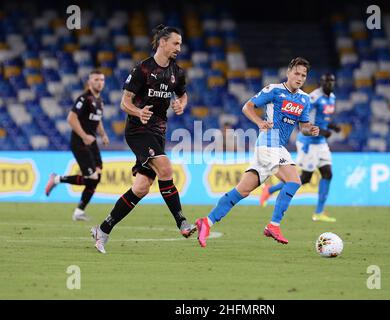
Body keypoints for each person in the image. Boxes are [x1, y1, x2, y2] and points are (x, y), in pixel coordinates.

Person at [90, 24, 196, 253]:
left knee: (141, 187)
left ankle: (103, 229)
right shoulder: (143, 70)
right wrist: (138, 112)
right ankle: (182, 222)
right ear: (163, 43)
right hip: (138, 130)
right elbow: (124, 102)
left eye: (180, 43)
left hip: (158, 132)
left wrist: (181, 105)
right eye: (175, 43)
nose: (179, 47)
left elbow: (183, 94)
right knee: (165, 169)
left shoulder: (177, 73)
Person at [195, 57, 319, 247]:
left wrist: (311, 129)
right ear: (288, 72)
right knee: (294, 181)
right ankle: (273, 225)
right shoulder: (274, 90)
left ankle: (207, 222)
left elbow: (303, 127)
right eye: (297, 73)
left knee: (242, 190)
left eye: (304, 75)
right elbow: (248, 107)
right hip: (268, 144)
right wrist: (259, 122)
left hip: (279, 147)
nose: (300, 77)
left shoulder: (304, 99)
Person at [259, 73, 340, 222]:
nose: (329, 84)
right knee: (304, 178)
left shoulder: (332, 97)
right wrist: (321, 131)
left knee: (327, 173)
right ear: (321, 82)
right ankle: (269, 190)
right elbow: (304, 120)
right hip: (308, 142)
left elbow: (322, 118)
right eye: (326, 81)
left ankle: (319, 212)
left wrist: (332, 126)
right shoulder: (314, 97)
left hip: (321, 143)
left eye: (331, 81)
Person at [45, 70, 109, 221]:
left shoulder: (100, 102)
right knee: (92, 177)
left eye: (101, 80)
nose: (99, 82)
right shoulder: (84, 98)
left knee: (96, 177)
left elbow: (97, 120)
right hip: (80, 142)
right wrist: (84, 136)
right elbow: (71, 118)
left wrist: (103, 134)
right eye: (96, 80)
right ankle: (56, 180)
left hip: (91, 142)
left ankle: (79, 212)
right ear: (89, 82)